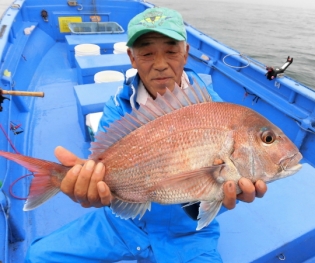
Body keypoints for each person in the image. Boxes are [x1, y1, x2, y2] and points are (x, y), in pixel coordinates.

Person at [25, 7, 267, 263]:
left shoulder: (217, 113)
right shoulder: (117, 107)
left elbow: (216, 191)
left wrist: (231, 194)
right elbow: (103, 168)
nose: (161, 64)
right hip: (120, 225)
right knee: (38, 257)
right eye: (147, 53)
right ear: (132, 57)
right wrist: (89, 186)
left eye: (171, 51)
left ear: (185, 53)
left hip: (186, 234)